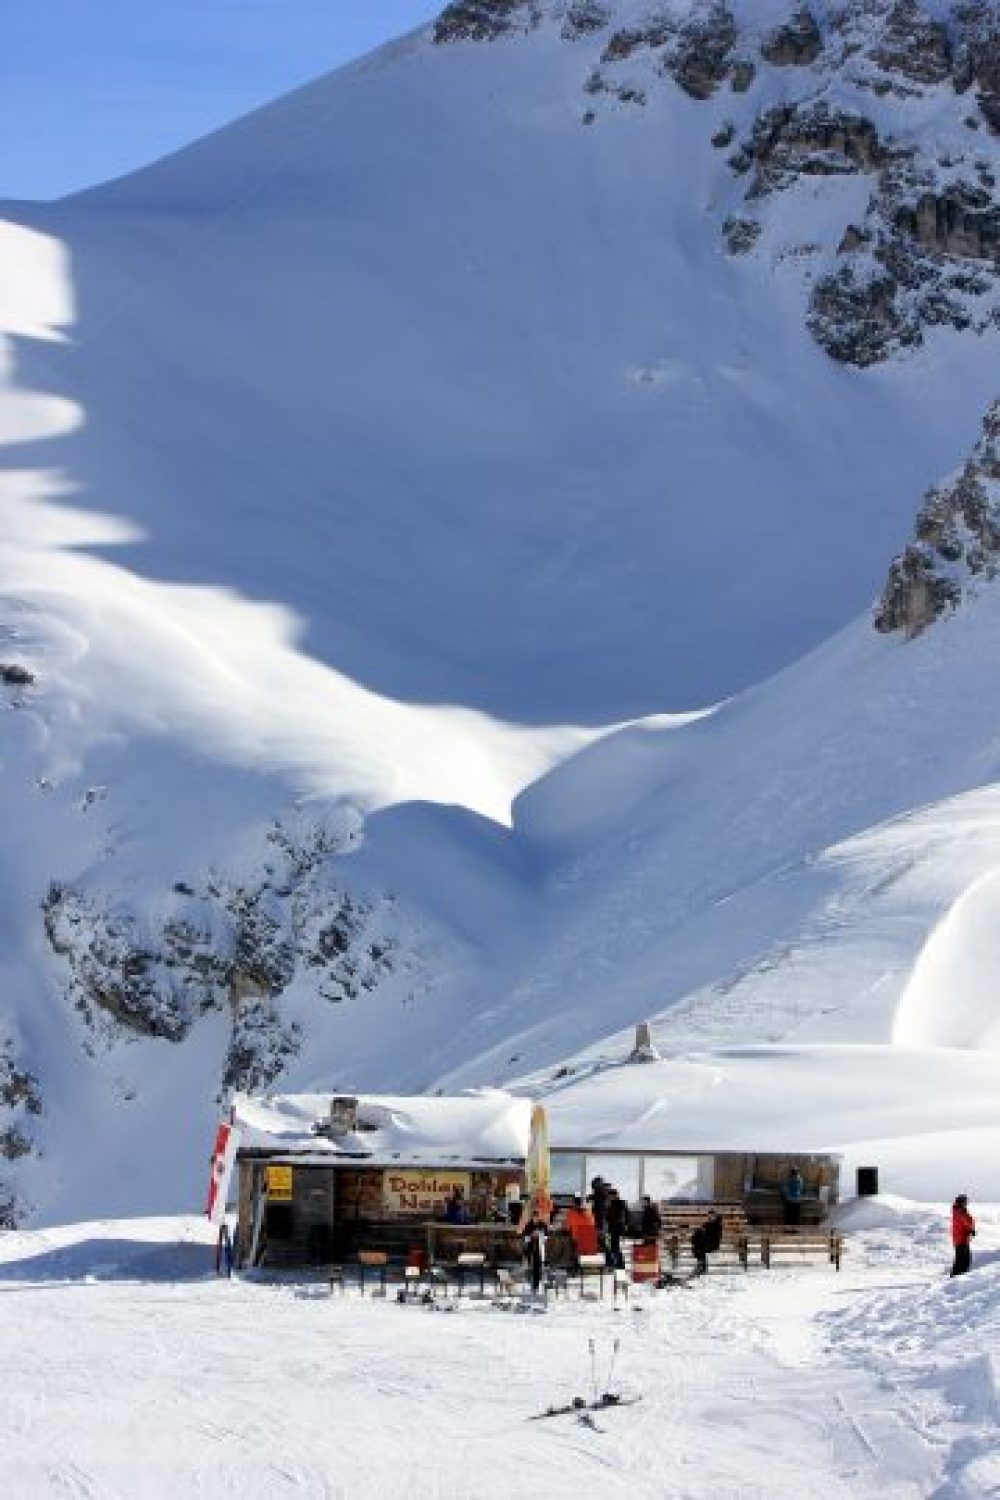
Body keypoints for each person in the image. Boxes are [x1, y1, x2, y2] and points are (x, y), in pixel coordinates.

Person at [521, 1212, 548, 1293]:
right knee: (530, 1266)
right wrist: (531, 1236)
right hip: (530, 1247)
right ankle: (530, 1283)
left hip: (539, 1247)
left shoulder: (542, 1224)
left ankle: (537, 1284)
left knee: (538, 1267)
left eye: (537, 1217)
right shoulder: (528, 1225)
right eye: (534, 1217)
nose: (535, 1219)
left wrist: (540, 1235)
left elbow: (546, 1236)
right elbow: (525, 1237)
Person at [951, 1193, 976, 1277]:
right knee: (964, 1260)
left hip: (960, 1239)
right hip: (962, 1239)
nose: (966, 1204)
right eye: (965, 1202)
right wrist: (971, 1230)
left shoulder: (957, 1211)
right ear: (961, 1202)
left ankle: (956, 1277)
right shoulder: (960, 1212)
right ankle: (958, 1278)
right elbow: (967, 1221)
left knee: (960, 1259)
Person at [605, 1187, 628, 1270]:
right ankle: (618, 1263)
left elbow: (620, 1216)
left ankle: (619, 1264)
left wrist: (623, 1225)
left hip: (616, 1228)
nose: (609, 1197)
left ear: (614, 1195)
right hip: (613, 1228)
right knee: (613, 1246)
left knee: (615, 1246)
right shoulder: (614, 1203)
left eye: (610, 1196)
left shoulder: (619, 1203)